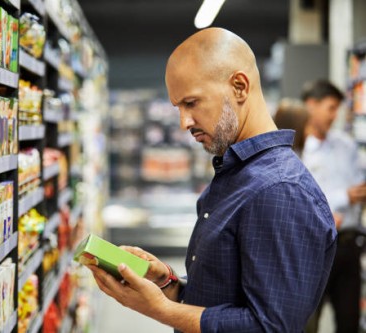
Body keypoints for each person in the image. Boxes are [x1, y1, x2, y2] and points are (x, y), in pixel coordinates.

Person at [87, 27, 337, 332]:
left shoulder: (280, 189)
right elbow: (225, 295)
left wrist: (162, 310)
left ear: (240, 87)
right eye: (178, 107)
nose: (183, 123)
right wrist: (167, 282)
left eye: (191, 103)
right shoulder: (238, 174)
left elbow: (270, 327)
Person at [300, 79, 366, 333]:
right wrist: (343, 197)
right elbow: (302, 200)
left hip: (347, 246)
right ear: (311, 105)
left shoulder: (346, 146)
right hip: (314, 250)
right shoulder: (298, 151)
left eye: (337, 108)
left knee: (349, 322)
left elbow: (357, 185)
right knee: (308, 321)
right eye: (330, 107)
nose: (334, 115)